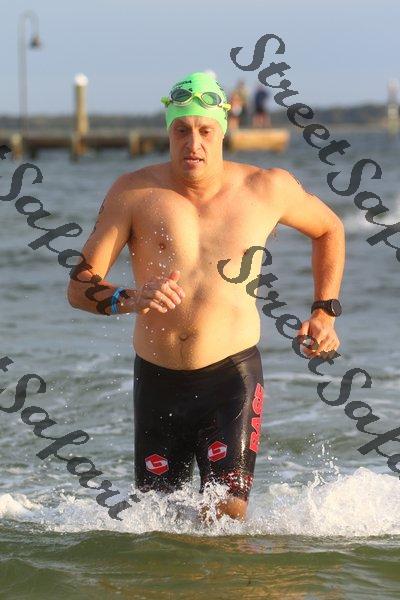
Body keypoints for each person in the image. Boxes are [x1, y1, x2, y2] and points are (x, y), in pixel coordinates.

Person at [67, 71, 345, 522]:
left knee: (226, 519)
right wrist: (129, 298)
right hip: (157, 382)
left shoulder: (265, 188)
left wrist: (324, 310)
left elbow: (329, 229)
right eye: (181, 130)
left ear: (223, 131)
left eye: (204, 130)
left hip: (231, 378)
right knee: (158, 527)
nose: (192, 143)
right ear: (168, 132)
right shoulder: (134, 193)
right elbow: (79, 286)